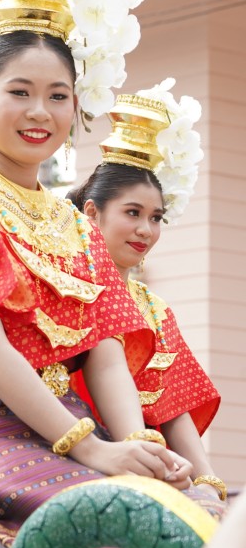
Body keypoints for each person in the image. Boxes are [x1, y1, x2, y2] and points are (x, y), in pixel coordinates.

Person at [0, 0, 198, 548]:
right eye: (19, 92)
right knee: (116, 522)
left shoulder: (76, 225)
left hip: (73, 427)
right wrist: (94, 449)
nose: (39, 111)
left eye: (58, 95)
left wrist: (133, 445)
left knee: (185, 513)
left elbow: (105, 356)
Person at [69, 87, 225, 508]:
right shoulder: (69, 285)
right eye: (133, 213)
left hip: (149, 462)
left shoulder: (154, 310)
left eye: (155, 217)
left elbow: (174, 408)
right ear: (92, 213)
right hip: (74, 451)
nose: (146, 230)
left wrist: (207, 483)